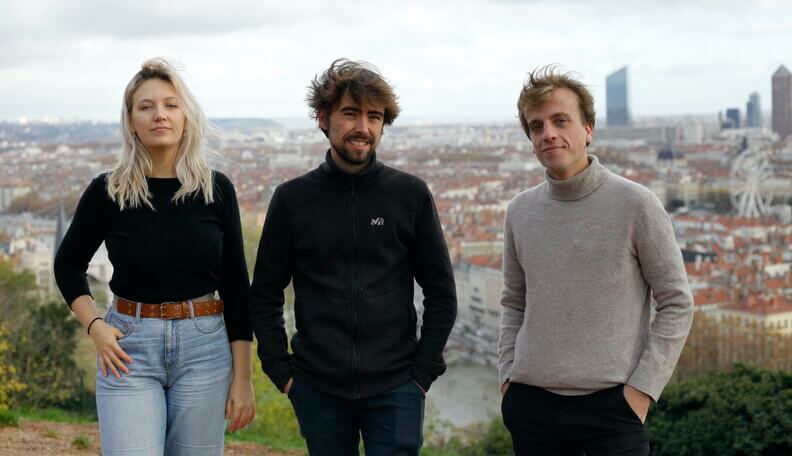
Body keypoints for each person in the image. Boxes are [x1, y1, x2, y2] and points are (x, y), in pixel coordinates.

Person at [248, 58, 457, 456]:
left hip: (397, 385)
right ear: (322, 117)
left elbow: (442, 293)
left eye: (374, 116)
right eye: (350, 113)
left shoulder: (410, 195)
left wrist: (422, 373)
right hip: (318, 386)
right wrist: (283, 372)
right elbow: (264, 294)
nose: (363, 127)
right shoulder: (293, 200)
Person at [54, 57, 255, 455]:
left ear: (186, 117)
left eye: (170, 104)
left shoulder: (216, 190)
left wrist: (244, 378)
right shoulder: (108, 191)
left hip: (205, 347)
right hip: (128, 345)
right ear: (131, 121)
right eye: (146, 106)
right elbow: (68, 264)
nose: (159, 115)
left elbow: (235, 283)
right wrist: (95, 326)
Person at [498, 66, 694, 455]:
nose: (548, 133)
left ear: (588, 129)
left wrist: (641, 391)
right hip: (532, 407)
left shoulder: (637, 204)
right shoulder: (519, 211)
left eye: (560, 120)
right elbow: (513, 302)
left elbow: (677, 302)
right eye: (536, 126)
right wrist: (508, 379)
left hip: (612, 411)